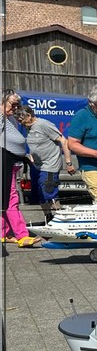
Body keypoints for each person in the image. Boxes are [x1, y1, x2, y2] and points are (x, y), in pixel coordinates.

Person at [17, 106, 76, 221]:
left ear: (28, 116)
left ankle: (60, 217)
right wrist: (31, 156)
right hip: (37, 165)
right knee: (39, 193)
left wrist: (68, 162)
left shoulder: (44, 124)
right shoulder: (28, 127)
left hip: (50, 165)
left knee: (48, 192)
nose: (20, 123)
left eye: (21, 120)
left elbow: (64, 141)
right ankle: (48, 217)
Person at [1, 91, 41, 247]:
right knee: (12, 198)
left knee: (5, 198)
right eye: (13, 104)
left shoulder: (10, 118)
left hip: (12, 162)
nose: (16, 108)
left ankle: (3, 233)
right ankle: (22, 235)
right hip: (4, 162)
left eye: (18, 105)